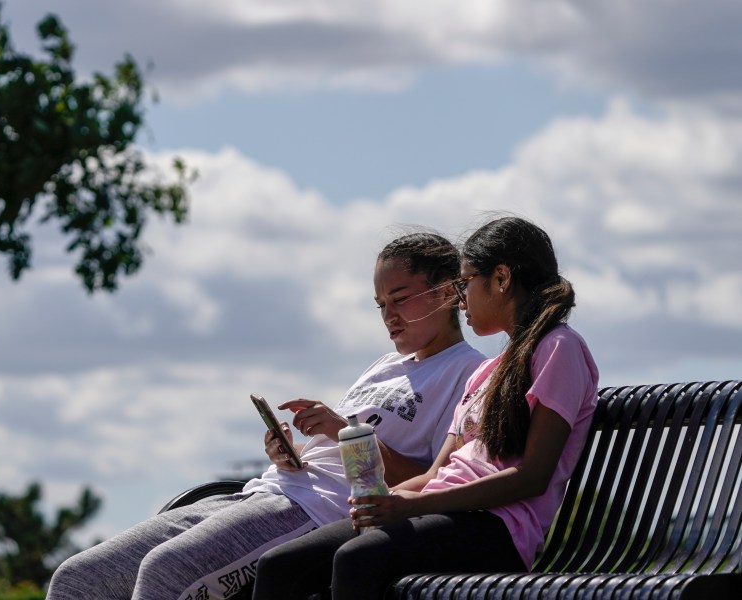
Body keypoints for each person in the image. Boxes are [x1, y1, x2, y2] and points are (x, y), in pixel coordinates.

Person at [46, 231, 485, 600]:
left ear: (447, 292)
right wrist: (290, 453)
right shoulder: (385, 366)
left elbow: (435, 481)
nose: (388, 316)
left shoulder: (468, 372)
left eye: (400, 299)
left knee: (166, 573)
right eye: (380, 305)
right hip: (263, 492)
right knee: (76, 578)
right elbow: (337, 450)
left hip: (316, 513)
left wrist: (343, 431)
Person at [251, 216, 600, 600]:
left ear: (501, 279)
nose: (460, 299)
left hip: (496, 527)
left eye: (466, 284)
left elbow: (532, 475)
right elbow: (438, 472)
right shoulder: (486, 373)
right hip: (438, 513)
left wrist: (416, 503)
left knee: (358, 560)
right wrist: (384, 499)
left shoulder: (558, 347)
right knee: (280, 565)